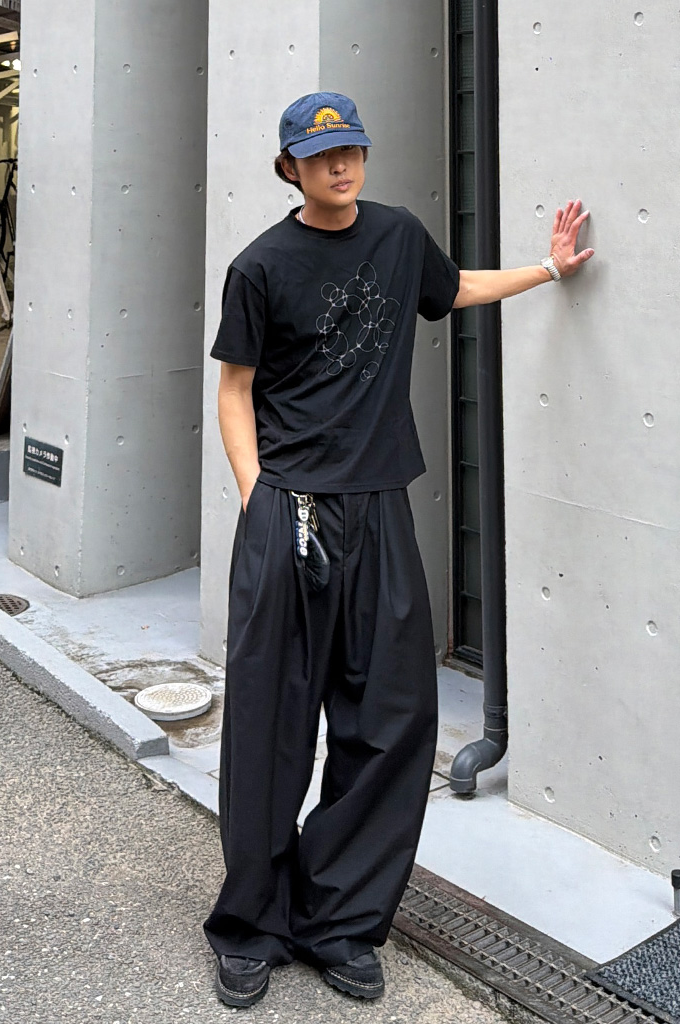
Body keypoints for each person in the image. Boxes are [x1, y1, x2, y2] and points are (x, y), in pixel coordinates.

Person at [203, 91, 594, 1008]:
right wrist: (258, 499)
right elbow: (235, 389)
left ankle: (338, 919)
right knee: (270, 723)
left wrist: (548, 267)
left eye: (351, 150)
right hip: (290, 509)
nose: (340, 165)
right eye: (320, 156)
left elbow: (454, 290)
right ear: (290, 167)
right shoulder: (259, 266)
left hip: (379, 506)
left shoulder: (397, 234)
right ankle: (251, 925)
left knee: (390, 721)